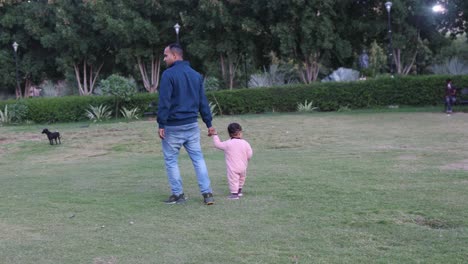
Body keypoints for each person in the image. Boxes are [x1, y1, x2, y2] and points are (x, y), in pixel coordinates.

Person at [157, 43, 216, 205]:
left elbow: (164, 102)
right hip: (191, 125)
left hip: (173, 127)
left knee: (171, 160)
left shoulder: (168, 75)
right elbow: (203, 102)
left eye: (166, 55)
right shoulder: (196, 75)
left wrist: (161, 124)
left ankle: (178, 195)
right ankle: (207, 193)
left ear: (175, 56)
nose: (164, 59)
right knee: (198, 159)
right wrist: (208, 123)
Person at [211, 123, 253, 200]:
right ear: (240, 132)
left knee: (233, 180)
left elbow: (217, 144)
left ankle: (234, 194)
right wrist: (247, 159)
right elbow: (250, 153)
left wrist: (215, 135)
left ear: (229, 134)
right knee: (241, 178)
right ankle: (239, 191)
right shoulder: (245, 143)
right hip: (243, 166)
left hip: (233, 168)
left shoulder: (228, 143)